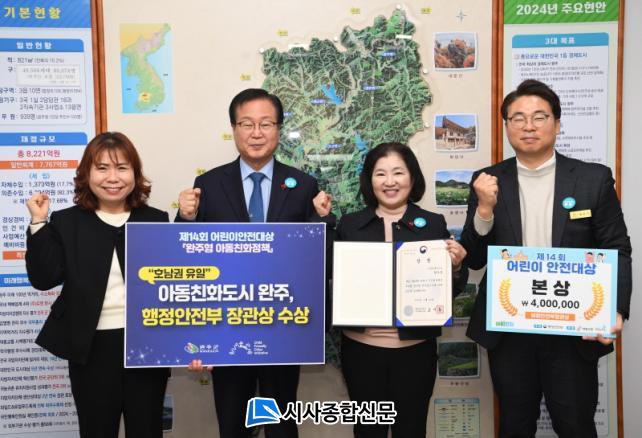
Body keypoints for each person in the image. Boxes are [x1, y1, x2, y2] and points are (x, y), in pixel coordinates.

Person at [461, 79, 632, 437]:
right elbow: (473, 259)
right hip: (510, 328)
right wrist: (485, 209)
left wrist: (614, 310)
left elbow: (617, 247)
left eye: (539, 117)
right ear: (506, 125)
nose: (529, 126)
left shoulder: (592, 179)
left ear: (557, 123)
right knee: (514, 425)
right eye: (518, 118)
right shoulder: (487, 181)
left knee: (576, 425)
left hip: (572, 327)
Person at [177, 88, 332, 438]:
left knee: (281, 424)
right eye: (247, 124)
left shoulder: (303, 185)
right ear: (234, 129)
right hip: (228, 324)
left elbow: (315, 260)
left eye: (266, 124)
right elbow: (187, 254)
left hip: (284, 325)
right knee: (232, 422)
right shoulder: (208, 184)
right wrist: (185, 218)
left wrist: (323, 221)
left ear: (279, 129)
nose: (256, 133)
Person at [25, 132, 170, 438]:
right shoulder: (66, 221)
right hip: (90, 348)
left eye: (122, 168)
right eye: (102, 168)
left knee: (147, 429)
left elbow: (173, 285)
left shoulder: (156, 219)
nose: (112, 178)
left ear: (135, 174)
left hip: (146, 345)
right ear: (86, 174)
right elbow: (44, 278)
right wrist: (39, 222)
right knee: (96, 430)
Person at [334, 142, 468, 438]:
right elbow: (335, 281)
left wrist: (456, 267)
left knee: (411, 429)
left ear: (412, 177)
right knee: (368, 431)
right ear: (370, 180)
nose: (390, 181)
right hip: (361, 351)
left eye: (398, 172)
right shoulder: (350, 225)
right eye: (380, 174)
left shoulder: (432, 224)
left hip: (415, 352)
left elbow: (449, 291)